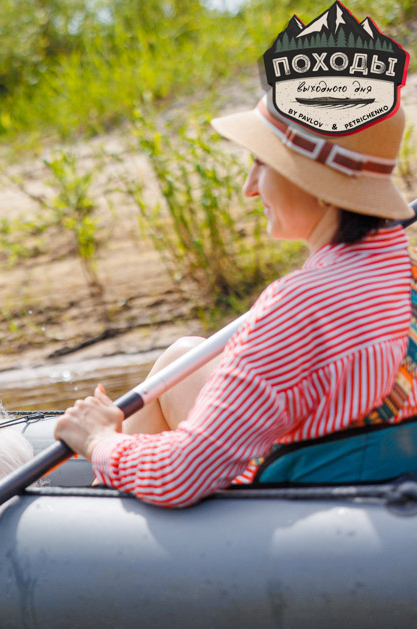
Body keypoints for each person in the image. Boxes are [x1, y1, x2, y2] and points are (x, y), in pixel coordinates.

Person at [55, 94, 416, 507]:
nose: (249, 187)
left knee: (137, 436)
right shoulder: (402, 267)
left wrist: (99, 441)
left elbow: (180, 474)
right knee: (182, 358)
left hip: (296, 513)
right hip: (370, 473)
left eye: (262, 163)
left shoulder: (297, 306)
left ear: (316, 183)